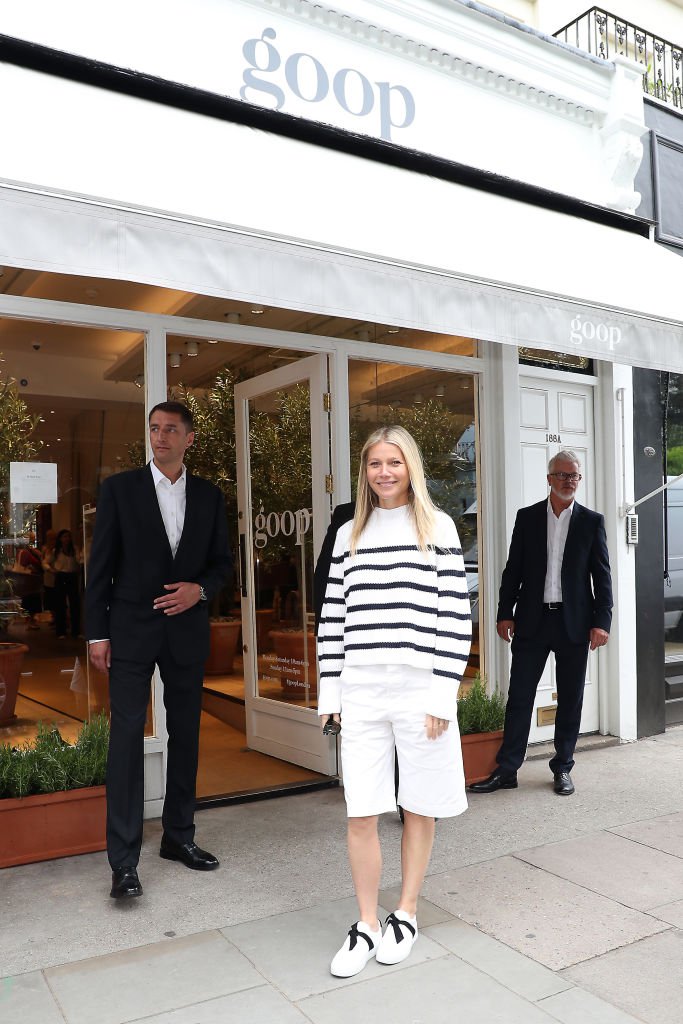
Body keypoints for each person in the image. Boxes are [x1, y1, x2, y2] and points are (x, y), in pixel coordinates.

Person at [317, 425, 472, 978]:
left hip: (418, 689)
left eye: (394, 462)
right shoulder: (348, 534)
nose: (384, 472)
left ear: (412, 468)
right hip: (361, 689)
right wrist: (330, 692)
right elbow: (332, 618)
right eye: (375, 463)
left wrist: (441, 694)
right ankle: (366, 922)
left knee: (419, 803)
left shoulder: (438, 527)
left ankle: (405, 911)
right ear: (365, 470)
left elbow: (455, 617)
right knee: (362, 809)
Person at [86, 401, 231, 900]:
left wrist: (200, 591)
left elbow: (222, 565)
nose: (160, 437)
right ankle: (123, 862)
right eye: (154, 429)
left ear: (190, 438)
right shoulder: (120, 490)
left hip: (186, 630)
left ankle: (179, 837)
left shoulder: (211, 496)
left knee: (187, 735)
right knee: (126, 740)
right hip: (129, 630)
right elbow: (99, 565)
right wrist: (96, 633)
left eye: (171, 429)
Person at [469, 450, 612, 799]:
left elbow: (602, 576)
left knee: (571, 698)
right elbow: (512, 570)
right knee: (519, 697)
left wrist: (602, 621)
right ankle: (507, 769)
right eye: (562, 475)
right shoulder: (528, 517)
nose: (569, 481)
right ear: (549, 479)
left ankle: (562, 766)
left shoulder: (592, 521)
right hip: (532, 621)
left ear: (579, 479)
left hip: (574, 624)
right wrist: (505, 612)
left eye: (574, 476)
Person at [49, 529, 82, 638]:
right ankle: (61, 631)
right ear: (60, 539)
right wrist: (51, 570)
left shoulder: (75, 549)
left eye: (68, 536)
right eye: (64, 537)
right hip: (61, 576)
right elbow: (46, 562)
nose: (67, 539)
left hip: (72, 576)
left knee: (74, 604)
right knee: (60, 604)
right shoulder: (56, 551)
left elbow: (79, 560)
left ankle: (76, 631)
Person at [16, 531, 43, 628]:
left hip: (30, 581)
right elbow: (31, 562)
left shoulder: (27, 551)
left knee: (30, 600)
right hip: (29, 581)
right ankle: (30, 620)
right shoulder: (25, 552)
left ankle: (30, 620)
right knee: (30, 600)